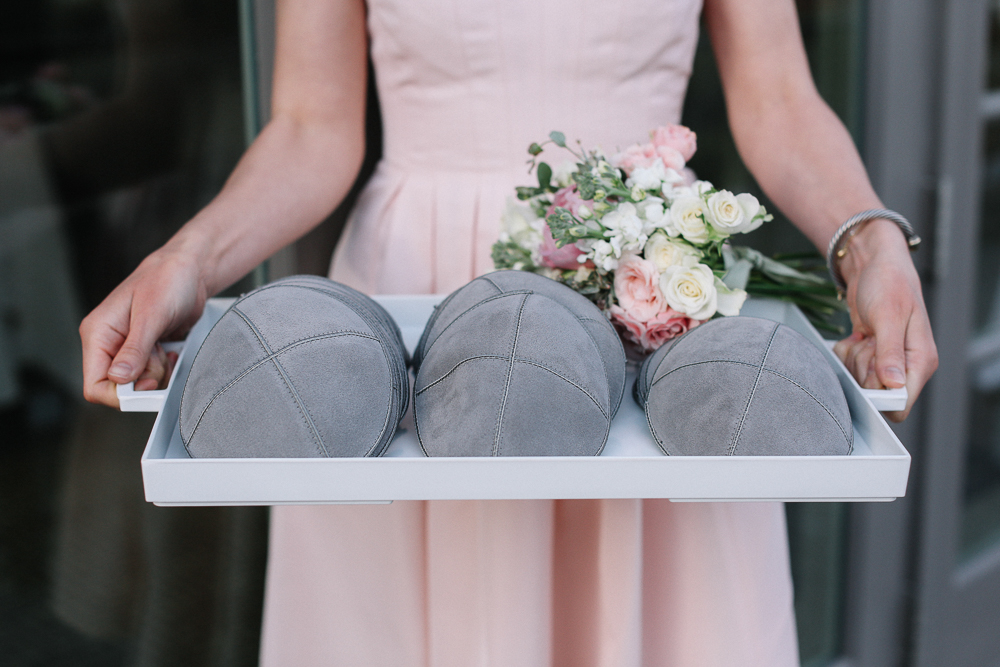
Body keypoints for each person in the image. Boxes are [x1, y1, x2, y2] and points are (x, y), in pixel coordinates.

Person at [79, 0, 939, 664]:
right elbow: (311, 126)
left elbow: (780, 98)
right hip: (413, 279)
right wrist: (190, 257)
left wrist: (869, 243)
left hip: (644, 277)